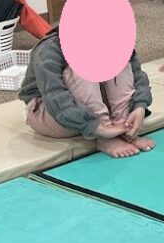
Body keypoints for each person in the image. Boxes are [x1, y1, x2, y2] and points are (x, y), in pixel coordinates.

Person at [19, 23, 155, 159]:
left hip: (96, 106)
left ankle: (123, 129)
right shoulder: (49, 49)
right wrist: (97, 128)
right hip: (53, 114)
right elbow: (56, 97)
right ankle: (105, 136)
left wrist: (139, 107)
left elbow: (138, 77)